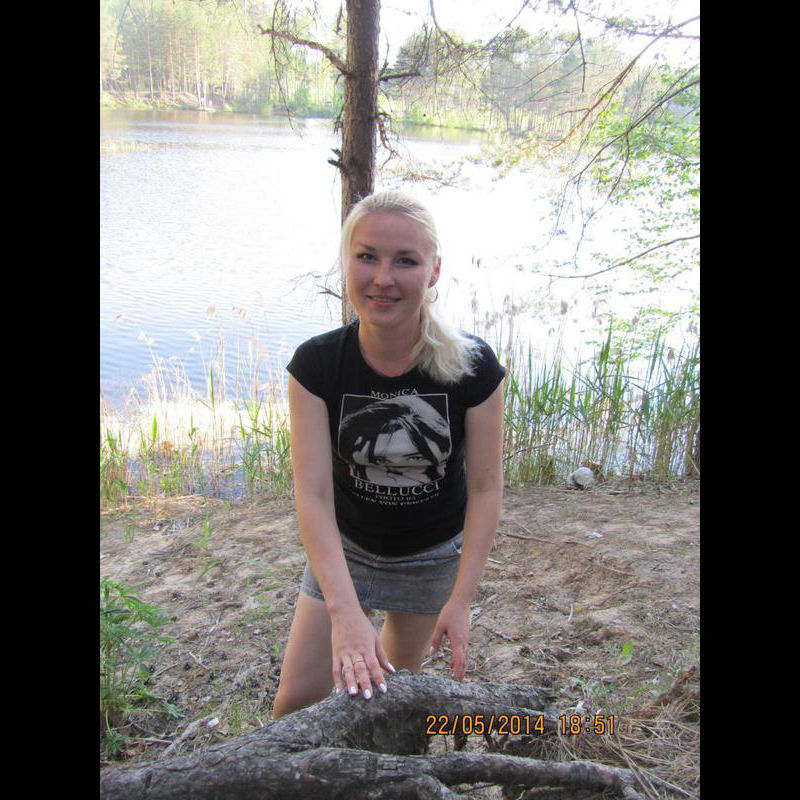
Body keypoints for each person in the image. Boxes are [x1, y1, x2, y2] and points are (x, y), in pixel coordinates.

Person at [271, 190, 505, 719]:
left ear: (434, 270)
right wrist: (344, 611)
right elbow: (312, 494)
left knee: (386, 703)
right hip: (346, 548)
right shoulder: (316, 365)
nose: (383, 278)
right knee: (294, 704)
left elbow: (487, 489)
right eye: (367, 256)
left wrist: (461, 600)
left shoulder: (473, 367)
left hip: (430, 556)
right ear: (346, 262)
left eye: (405, 261)